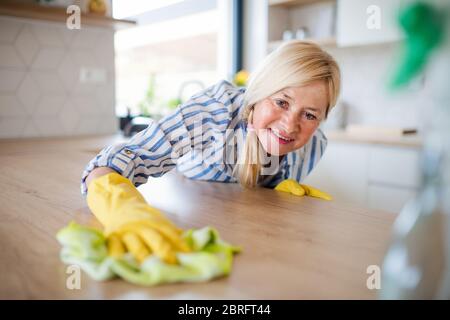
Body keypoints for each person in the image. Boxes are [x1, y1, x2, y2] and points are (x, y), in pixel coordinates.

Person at [83, 40, 341, 264]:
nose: (290, 125)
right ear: (259, 93)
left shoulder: (313, 147)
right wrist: (122, 210)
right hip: (191, 194)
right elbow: (117, 161)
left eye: (309, 115)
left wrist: (277, 189)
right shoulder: (213, 113)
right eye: (281, 102)